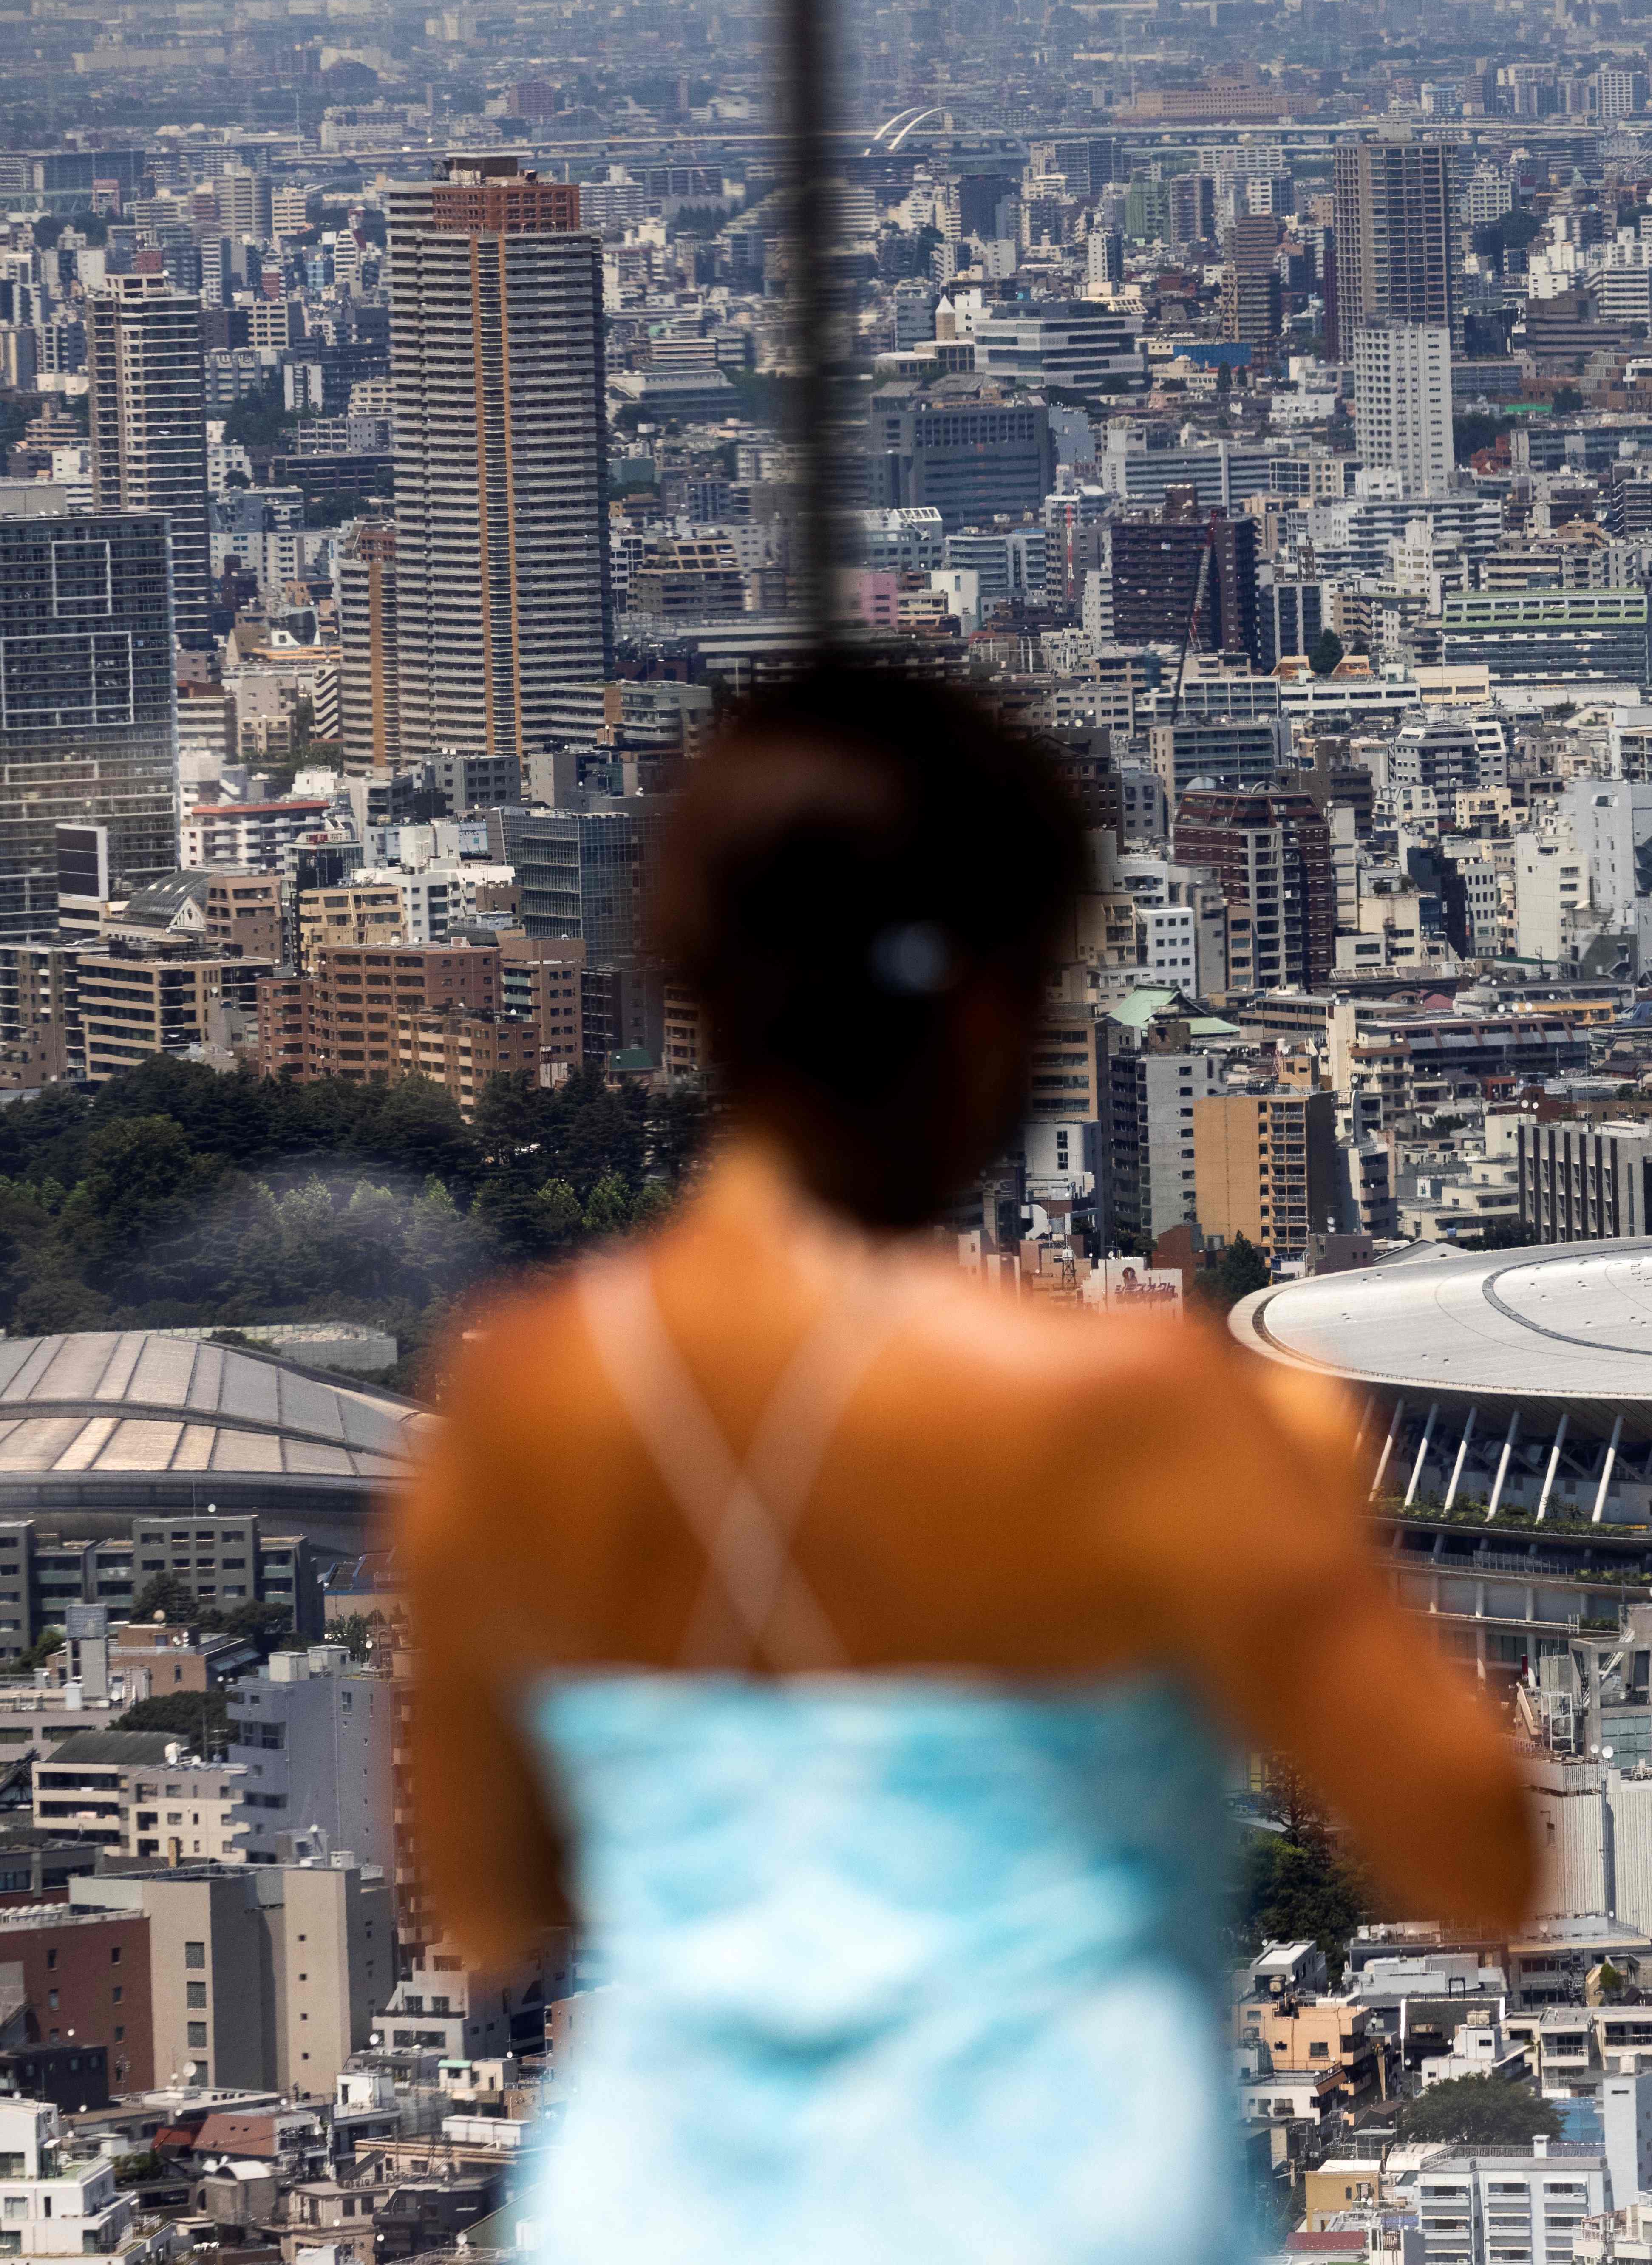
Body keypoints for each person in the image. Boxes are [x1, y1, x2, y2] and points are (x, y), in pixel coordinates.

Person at [400, 668, 1534, 2262]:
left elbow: (491, 1900)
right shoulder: (1139, 1408)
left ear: (691, 984)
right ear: (998, 996)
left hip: (660, 2210)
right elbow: (1476, 1848)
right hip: (1066, 2204)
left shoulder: (520, 1406)